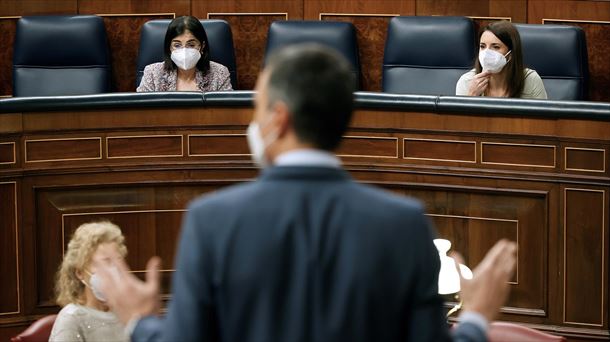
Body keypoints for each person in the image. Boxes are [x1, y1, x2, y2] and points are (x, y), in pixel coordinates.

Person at [97, 44, 517, 342]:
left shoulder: (212, 219)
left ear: (278, 119)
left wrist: (139, 321)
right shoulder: (404, 223)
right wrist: (477, 318)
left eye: (256, 109)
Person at [49, 221, 129, 342]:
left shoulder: (127, 311)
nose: (113, 269)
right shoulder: (71, 318)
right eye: (106, 261)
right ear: (80, 272)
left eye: (117, 261)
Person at [137, 16, 232, 92]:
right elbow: (141, 111)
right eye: (177, 45)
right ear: (169, 47)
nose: (184, 50)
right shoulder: (152, 74)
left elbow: (227, 111)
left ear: (202, 46)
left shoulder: (220, 73)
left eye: (191, 45)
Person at [456, 21, 547, 99]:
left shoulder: (530, 80)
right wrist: (471, 96)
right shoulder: (467, 81)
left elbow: (544, 118)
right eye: (482, 46)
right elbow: (459, 120)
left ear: (510, 54)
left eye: (496, 47)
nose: (487, 53)